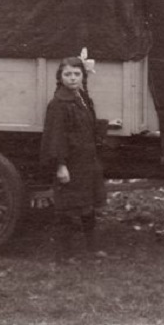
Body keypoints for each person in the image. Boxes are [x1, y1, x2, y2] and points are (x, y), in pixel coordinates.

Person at [41, 54, 107, 261]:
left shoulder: (82, 98)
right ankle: (64, 254)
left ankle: (93, 248)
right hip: (71, 163)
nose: (72, 78)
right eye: (67, 74)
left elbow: (85, 126)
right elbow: (56, 137)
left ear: (83, 76)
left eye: (76, 74)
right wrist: (60, 166)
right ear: (60, 77)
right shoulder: (58, 104)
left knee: (87, 205)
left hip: (86, 162)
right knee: (68, 209)